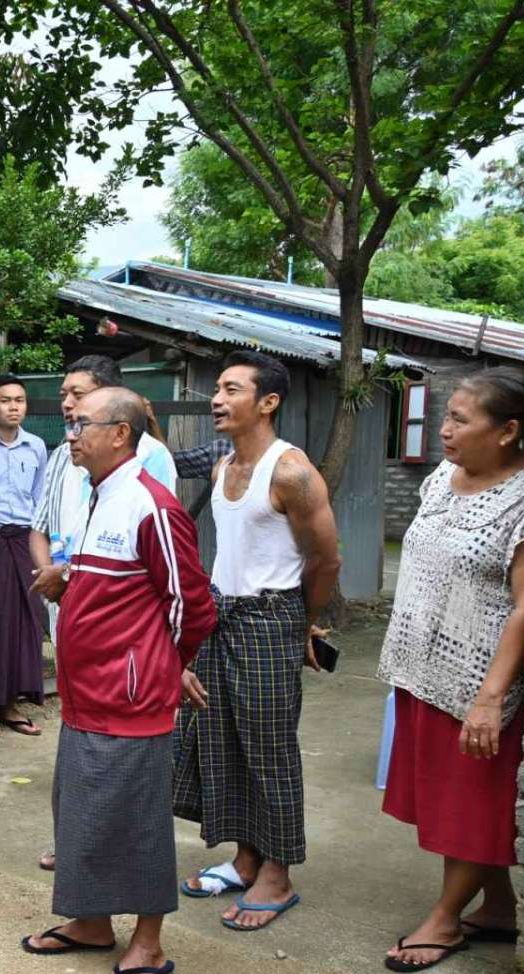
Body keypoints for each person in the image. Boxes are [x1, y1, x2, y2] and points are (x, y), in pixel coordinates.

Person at [20, 388, 215, 974]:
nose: (71, 433)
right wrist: (71, 580)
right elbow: (118, 580)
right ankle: (92, 921)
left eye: (81, 423)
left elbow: (192, 605)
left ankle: (148, 943)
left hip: (130, 696)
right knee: (81, 808)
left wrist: (164, 665)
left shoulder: (152, 505)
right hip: (87, 693)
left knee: (137, 820)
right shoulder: (98, 493)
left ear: (121, 433)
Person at [377, 368, 524, 972]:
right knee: (451, 800)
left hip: (476, 679)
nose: (443, 430)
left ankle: (445, 921)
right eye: (445, 416)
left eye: (459, 420)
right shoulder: (440, 481)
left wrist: (490, 698)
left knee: (471, 806)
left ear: (508, 431)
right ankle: (498, 906)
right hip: (421, 668)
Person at [174, 350, 341, 930]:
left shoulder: (291, 472)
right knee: (221, 738)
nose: (217, 400)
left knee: (270, 749)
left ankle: (278, 873)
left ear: (268, 402)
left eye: (232, 390)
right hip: (219, 616)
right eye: (217, 388)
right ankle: (246, 857)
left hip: (270, 619)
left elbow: (326, 559)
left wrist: (303, 623)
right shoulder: (223, 466)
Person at [30, 356, 126, 648]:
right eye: (64, 395)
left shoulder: (147, 455)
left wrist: (67, 576)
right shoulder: (61, 455)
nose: (67, 404)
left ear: (109, 397)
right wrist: (50, 579)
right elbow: (39, 529)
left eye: (78, 394)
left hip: (114, 610)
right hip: (62, 602)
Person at [0, 375, 48, 737]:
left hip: (25, 542)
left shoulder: (36, 447)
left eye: (19, 400)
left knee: (26, 624)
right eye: (5, 401)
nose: (14, 406)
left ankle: (12, 704)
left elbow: (40, 497)